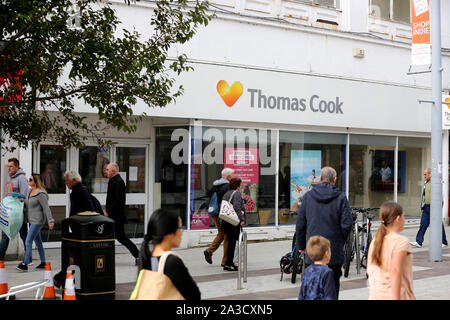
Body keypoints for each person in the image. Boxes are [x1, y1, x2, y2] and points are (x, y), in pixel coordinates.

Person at [295, 166, 352, 298]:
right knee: (332, 288)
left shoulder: (308, 197)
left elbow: (300, 223)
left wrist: (302, 246)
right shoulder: (341, 197)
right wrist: (338, 241)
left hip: (313, 249)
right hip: (333, 251)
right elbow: (347, 224)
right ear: (335, 179)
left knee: (311, 286)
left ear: (320, 179)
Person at [136, 208, 200, 300]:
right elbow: (194, 295)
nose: (181, 233)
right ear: (169, 233)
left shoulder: (145, 257)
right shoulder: (171, 261)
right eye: (179, 228)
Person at [54, 170, 95, 287]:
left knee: (75, 257)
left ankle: (59, 279)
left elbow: (89, 209)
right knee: (74, 257)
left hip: (81, 229)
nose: (66, 183)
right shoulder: (78, 190)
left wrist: (80, 223)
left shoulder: (80, 190)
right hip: (78, 228)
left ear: (73, 180)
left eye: (67, 180)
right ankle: (61, 279)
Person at [367, 201, 415, 300]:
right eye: (403, 216)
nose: (404, 220)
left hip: (376, 294)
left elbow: (370, 269)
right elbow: (396, 271)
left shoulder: (375, 241)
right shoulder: (401, 241)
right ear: (398, 218)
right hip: (396, 295)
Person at [16, 174, 54, 272]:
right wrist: (18, 198)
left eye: (31, 179)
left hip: (38, 221)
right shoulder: (29, 191)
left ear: (36, 182)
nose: (29, 180)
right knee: (38, 242)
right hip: (31, 220)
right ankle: (43, 262)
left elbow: (46, 208)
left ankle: (25, 263)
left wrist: (50, 221)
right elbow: (26, 202)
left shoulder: (41, 194)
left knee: (28, 241)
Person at [104, 163, 139, 263]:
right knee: (108, 237)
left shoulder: (119, 182)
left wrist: (108, 212)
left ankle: (139, 255)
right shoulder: (113, 180)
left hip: (116, 216)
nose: (105, 171)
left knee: (121, 237)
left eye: (107, 169)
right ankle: (105, 258)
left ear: (113, 171)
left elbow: (118, 201)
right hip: (111, 215)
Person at [410, 168, 448, 248]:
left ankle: (444, 242)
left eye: (425, 174)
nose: (424, 176)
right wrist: (422, 206)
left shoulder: (436, 183)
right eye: (424, 174)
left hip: (435, 207)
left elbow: (441, 195)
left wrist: (439, 207)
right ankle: (418, 242)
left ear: (430, 174)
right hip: (426, 207)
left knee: (438, 225)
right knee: (423, 224)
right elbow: (424, 195)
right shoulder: (426, 183)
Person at [0, 158, 29, 261]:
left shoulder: (22, 178)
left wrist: (16, 197)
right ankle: (0, 258)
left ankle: (28, 258)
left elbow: (24, 196)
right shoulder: (9, 177)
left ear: (17, 167)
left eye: (11, 166)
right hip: (9, 214)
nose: (9, 168)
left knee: (23, 235)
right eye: (8, 166)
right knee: (5, 234)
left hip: (18, 214)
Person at [203, 168, 234, 266]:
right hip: (223, 214)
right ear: (229, 176)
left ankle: (209, 251)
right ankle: (225, 261)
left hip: (215, 213)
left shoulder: (215, 185)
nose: (233, 177)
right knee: (227, 236)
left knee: (221, 233)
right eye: (232, 175)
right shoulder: (227, 186)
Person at [298, 236, 337, 300]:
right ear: (326, 253)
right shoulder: (327, 273)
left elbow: (302, 294)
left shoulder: (307, 270)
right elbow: (330, 296)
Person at [221, 177, 246, 271]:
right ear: (238, 186)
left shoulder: (227, 193)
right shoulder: (237, 193)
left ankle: (229, 262)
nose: (241, 186)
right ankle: (228, 264)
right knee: (233, 243)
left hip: (226, 221)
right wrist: (241, 219)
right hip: (233, 222)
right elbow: (237, 207)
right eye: (240, 185)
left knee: (230, 243)